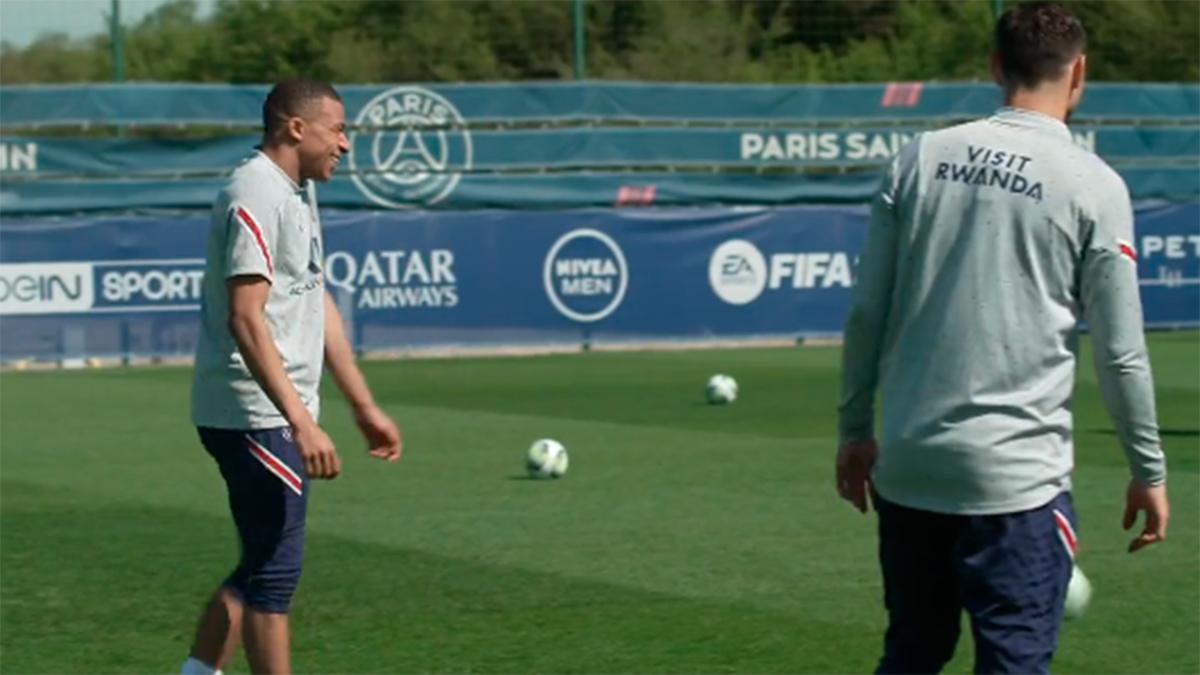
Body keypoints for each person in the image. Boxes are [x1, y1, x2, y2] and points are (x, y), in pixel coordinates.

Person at [836, 3, 1169, 673]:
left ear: (994, 67)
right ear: (1080, 72)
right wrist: (1148, 470)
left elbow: (867, 311)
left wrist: (853, 430)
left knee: (912, 653)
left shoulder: (921, 157)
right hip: (1016, 485)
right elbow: (1120, 351)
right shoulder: (1094, 185)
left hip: (909, 467)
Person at [183, 79, 402, 675]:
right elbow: (246, 319)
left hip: (269, 412)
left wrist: (361, 404)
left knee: (257, 565)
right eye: (338, 129)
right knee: (274, 579)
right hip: (256, 413)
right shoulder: (254, 191)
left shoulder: (295, 190)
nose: (346, 145)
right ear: (295, 128)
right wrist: (299, 422)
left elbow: (313, 297)